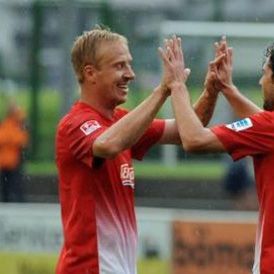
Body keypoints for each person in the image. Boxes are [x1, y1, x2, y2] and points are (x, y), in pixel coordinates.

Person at [55, 26, 222, 274]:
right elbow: (107, 144)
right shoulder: (75, 124)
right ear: (90, 73)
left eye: (129, 65)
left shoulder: (121, 122)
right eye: (119, 66)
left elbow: (187, 129)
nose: (130, 74)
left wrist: (212, 89)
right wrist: (163, 89)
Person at [167, 35, 274, 274]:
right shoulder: (268, 129)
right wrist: (228, 89)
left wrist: (176, 86)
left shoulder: (268, 128)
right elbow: (264, 128)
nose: (260, 81)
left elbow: (194, 140)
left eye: (265, 73)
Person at [0, 102, 28, 202]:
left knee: (14, 182)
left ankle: (15, 199)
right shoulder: (9, 125)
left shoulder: (18, 126)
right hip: (7, 161)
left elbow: (22, 141)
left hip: (13, 160)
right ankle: (12, 199)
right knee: (9, 184)